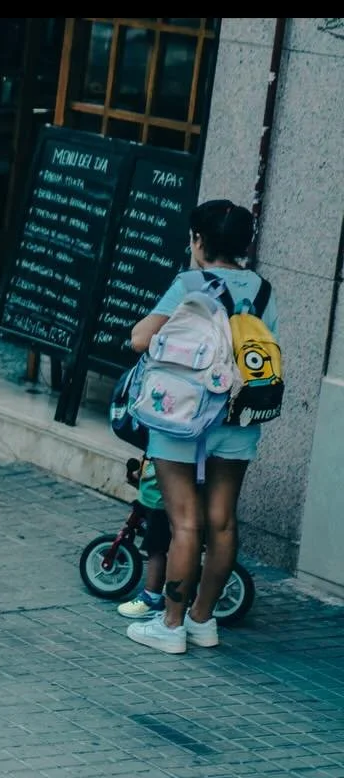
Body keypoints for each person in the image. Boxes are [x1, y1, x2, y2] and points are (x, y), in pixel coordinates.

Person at [124, 200, 279, 655]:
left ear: (197, 240)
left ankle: (169, 626)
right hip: (237, 417)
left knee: (185, 521)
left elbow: (140, 337)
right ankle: (202, 620)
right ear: (245, 243)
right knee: (223, 521)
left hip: (182, 416)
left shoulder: (190, 283)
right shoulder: (263, 290)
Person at [117, 456, 171, 618]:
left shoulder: (165, 452)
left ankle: (151, 597)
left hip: (158, 506)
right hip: (151, 501)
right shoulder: (154, 452)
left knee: (156, 549)